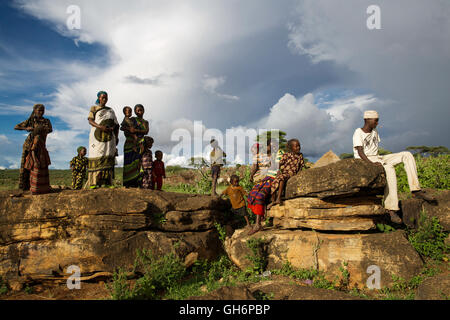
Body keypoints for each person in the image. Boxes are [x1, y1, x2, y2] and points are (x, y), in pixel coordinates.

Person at [353, 110, 435, 223]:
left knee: (407, 155)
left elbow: (375, 151)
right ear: (367, 120)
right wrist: (371, 164)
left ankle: (416, 190)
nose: (377, 123)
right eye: (375, 120)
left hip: (377, 157)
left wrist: (380, 159)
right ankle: (391, 209)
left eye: (378, 120)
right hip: (365, 159)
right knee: (389, 168)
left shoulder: (374, 131)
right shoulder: (358, 132)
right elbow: (360, 152)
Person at [14, 104, 52, 191]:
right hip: (29, 145)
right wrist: (26, 128)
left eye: (42, 110)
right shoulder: (31, 120)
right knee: (27, 165)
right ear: (34, 111)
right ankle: (25, 186)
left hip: (41, 144)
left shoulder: (46, 121)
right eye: (39, 110)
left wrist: (40, 130)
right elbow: (16, 127)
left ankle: (39, 186)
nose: (41, 112)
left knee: (40, 164)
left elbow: (50, 129)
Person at [87, 91, 119, 189]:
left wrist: (116, 137)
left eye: (106, 97)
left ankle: (107, 182)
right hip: (97, 137)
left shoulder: (111, 110)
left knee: (108, 156)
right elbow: (90, 120)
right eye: (102, 97)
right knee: (97, 155)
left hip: (109, 137)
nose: (104, 99)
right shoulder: (94, 108)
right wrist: (101, 127)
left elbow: (116, 125)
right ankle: (94, 182)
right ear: (99, 98)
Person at [268, 139, 305, 209]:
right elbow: (280, 163)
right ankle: (273, 201)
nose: (298, 148)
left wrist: (299, 174)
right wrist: (278, 170)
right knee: (274, 183)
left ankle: (278, 198)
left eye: (299, 146)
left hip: (291, 173)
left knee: (281, 178)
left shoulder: (300, 156)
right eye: (296, 146)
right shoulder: (286, 154)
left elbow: (301, 166)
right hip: (285, 172)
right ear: (291, 148)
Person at [122, 104, 149, 188]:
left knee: (139, 162)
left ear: (143, 110)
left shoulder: (145, 122)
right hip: (130, 143)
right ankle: (128, 183)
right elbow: (123, 127)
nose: (139, 112)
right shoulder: (132, 120)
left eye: (141, 110)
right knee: (129, 162)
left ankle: (138, 182)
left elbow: (146, 131)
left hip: (140, 143)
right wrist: (131, 130)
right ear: (135, 112)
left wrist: (135, 130)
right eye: (137, 110)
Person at [24, 125, 51, 195]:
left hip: (42, 157)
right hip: (38, 158)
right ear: (41, 131)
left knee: (42, 173)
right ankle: (35, 190)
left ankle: (42, 189)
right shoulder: (38, 138)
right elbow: (33, 150)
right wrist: (35, 161)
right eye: (45, 131)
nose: (46, 132)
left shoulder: (41, 137)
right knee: (37, 174)